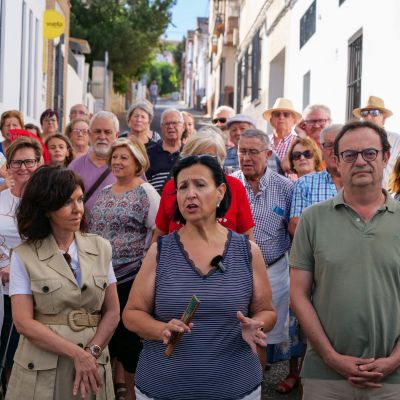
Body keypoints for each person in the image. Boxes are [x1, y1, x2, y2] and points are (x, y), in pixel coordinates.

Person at [123, 154, 277, 400]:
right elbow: (132, 314)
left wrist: (255, 324)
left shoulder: (247, 251)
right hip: (163, 387)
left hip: (235, 388)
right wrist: (161, 329)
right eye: (182, 187)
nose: (189, 194)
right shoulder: (160, 251)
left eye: (200, 185)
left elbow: (267, 312)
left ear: (220, 192)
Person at [290, 120, 400, 399]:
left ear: (386, 156)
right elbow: (298, 295)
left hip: (392, 377)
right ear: (336, 160)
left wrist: (395, 359)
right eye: (350, 155)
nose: (360, 161)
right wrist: (331, 357)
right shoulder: (312, 220)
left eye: (370, 153)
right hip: (325, 375)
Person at [6, 166, 119, 399]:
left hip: (93, 366)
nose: (78, 209)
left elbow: (113, 312)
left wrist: (92, 351)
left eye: (80, 199)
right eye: (67, 202)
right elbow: (23, 322)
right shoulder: (23, 255)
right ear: (46, 208)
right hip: (42, 369)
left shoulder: (101, 247)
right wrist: (77, 354)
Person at [89, 137, 160, 400]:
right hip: (101, 276)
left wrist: (146, 270)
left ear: (138, 162)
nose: (117, 162)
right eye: (115, 157)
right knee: (107, 337)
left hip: (130, 276)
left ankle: (133, 393)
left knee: (128, 338)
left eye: (124, 158)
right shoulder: (106, 191)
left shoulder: (146, 192)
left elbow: (157, 232)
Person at [232, 129, 293, 368]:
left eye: (253, 152)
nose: (246, 157)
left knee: (264, 333)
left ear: (267, 154)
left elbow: (292, 229)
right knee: (236, 329)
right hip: (236, 271)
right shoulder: (229, 185)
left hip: (273, 270)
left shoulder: (285, 188)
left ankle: (256, 383)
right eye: (241, 151)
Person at [271, 135, 322, 394]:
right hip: (298, 260)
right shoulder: (295, 185)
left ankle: (314, 374)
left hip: (326, 262)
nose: (301, 158)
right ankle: (294, 372)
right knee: (296, 320)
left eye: (307, 154)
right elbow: (292, 225)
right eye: (297, 155)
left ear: (316, 157)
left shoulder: (330, 183)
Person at [153, 127, 255, 241]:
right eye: (194, 157)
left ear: (220, 159)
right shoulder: (172, 186)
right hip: (176, 256)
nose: (200, 163)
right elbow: (159, 233)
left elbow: (248, 236)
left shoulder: (235, 186)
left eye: (208, 158)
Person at [0, 137, 43, 384]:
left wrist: (16, 268)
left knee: (22, 348)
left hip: (33, 286)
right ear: (8, 166)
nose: (23, 167)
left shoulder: (45, 202)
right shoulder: (2, 198)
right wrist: (2, 264)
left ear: (38, 164)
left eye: (29, 161)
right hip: (1, 286)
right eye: (17, 162)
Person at [288, 124, 343, 236]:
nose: (334, 150)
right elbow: (295, 225)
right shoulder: (304, 183)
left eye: (338, 143)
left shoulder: (362, 182)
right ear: (322, 149)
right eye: (329, 145)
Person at [68, 111, 119, 213]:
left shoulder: (129, 166)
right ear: (90, 135)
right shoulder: (74, 167)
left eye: (108, 132)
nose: (102, 136)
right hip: (83, 228)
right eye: (97, 131)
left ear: (117, 135)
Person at [353, 95, 400, 189]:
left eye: (375, 113)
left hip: (390, 198)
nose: (369, 116)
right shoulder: (353, 142)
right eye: (365, 113)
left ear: (384, 120)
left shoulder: (397, 140)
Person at [146, 108, 184, 194]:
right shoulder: (148, 153)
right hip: (156, 205)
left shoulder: (190, 153)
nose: (170, 126)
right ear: (161, 127)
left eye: (174, 123)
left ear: (183, 127)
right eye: (167, 124)